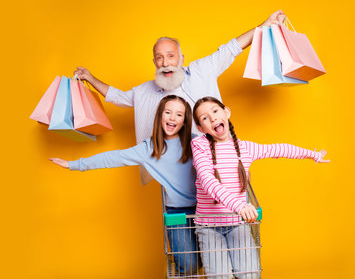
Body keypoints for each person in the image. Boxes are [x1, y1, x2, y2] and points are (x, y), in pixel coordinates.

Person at [73, 10, 287, 185]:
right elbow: (117, 96)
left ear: (181, 59)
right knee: (182, 229)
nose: (165, 62)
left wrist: (265, 25)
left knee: (221, 222)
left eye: (170, 56)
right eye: (159, 58)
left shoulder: (201, 70)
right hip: (176, 174)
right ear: (154, 62)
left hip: (217, 166)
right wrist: (89, 77)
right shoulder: (146, 91)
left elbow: (232, 48)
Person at [49, 95, 201, 275]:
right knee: (189, 264)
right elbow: (114, 157)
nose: (172, 118)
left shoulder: (196, 142)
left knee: (212, 257)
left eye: (178, 115)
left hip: (206, 209)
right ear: (160, 115)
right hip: (177, 213)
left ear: (185, 120)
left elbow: (222, 155)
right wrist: (74, 164)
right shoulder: (150, 148)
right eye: (168, 112)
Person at [191, 96, 330, 278]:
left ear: (227, 112)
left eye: (215, 111)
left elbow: (279, 149)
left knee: (250, 274)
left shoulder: (246, 149)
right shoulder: (199, 145)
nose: (213, 118)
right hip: (209, 227)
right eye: (205, 118)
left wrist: (312, 155)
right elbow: (208, 180)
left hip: (237, 225)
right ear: (201, 129)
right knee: (220, 276)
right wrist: (240, 206)